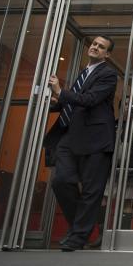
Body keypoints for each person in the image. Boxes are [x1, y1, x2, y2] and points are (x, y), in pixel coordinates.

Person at [42, 35, 118, 252]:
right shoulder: (84, 73)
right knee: (61, 181)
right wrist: (52, 102)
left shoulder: (108, 74)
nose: (95, 47)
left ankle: (77, 237)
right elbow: (73, 102)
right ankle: (81, 229)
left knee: (91, 191)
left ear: (107, 54)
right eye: (94, 44)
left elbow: (90, 100)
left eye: (101, 46)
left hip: (96, 140)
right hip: (70, 136)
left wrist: (59, 91)